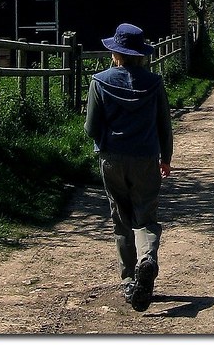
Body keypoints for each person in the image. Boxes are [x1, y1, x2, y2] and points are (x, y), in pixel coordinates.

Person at [84, 22, 173, 312]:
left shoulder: (99, 81)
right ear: (141, 54)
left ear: (115, 53)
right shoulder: (155, 83)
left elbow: (90, 128)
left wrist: (106, 143)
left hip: (112, 158)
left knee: (121, 219)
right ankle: (147, 259)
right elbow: (164, 125)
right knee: (145, 216)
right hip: (146, 157)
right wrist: (166, 157)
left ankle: (129, 282)